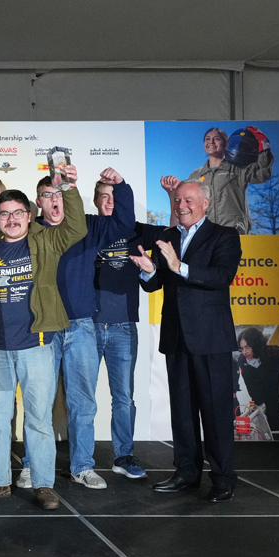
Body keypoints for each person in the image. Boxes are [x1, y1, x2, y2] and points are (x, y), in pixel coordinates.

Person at [0, 168, 89, 509]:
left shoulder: (46, 240)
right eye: (4, 214)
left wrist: (67, 188)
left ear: (29, 214)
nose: (11, 219)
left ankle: (43, 484)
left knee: (37, 419)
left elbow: (77, 227)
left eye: (18, 213)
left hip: (36, 345)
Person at [131, 180, 242, 502]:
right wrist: (149, 270)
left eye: (188, 200)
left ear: (205, 203)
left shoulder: (224, 235)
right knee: (182, 411)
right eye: (178, 200)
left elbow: (222, 277)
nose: (181, 205)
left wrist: (180, 266)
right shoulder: (168, 237)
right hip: (176, 336)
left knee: (216, 412)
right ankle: (186, 472)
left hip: (210, 338)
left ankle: (222, 477)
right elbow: (156, 284)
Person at [37, 168, 134, 489]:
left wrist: (121, 187)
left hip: (80, 327)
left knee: (82, 403)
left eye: (59, 193)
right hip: (43, 328)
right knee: (39, 402)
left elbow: (124, 224)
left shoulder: (89, 226)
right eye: (48, 195)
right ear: (39, 202)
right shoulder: (30, 230)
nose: (55, 200)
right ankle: (34, 467)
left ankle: (82, 466)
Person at [91, 179, 166, 480]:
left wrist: (150, 269)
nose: (110, 202)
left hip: (124, 327)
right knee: (82, 399)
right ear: (96, 201)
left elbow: (175, 236)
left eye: (114, 197)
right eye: (104, 197)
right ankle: (81, 461)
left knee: (123, 397)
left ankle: (123, 456)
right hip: (86, 326)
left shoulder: (138, 231)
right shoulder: (86, 229)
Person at [160, 126, 273, 235]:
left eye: (217, 139)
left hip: (234, 232)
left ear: (226, 144)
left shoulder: (237, 168)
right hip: (206, 235)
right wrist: (174, 190)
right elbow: (186, 206)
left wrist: (264, 147)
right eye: (207, 139)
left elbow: (262, 174)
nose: (211, 142)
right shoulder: (196, 175)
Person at [237, 327, 279, 428]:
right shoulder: (242, 360)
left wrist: (256, 365)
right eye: (242, 349)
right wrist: (258, 402)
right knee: (260, 427)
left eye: (248, 347)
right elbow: (249, 383)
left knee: (274, 423)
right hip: (257, 398)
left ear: (256, 345)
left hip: (274, 396)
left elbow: (274, 380)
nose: (245, 352)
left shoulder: (274, 353)